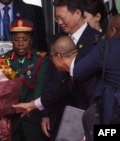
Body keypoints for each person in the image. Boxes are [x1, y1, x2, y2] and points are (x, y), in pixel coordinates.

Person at [13, 13, 120, 139]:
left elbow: (90, 98)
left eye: (51, 58)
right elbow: (63, 89)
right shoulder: (84, 70)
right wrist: (33, 105)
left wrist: (88, 135)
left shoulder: (92, 64)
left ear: (58, 57)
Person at [40, 0, 103, 140]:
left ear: (77, 14)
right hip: (58, 113)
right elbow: (49, 78)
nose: (59, 22)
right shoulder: (57, 40)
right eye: (57, 19)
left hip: (86, 114)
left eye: (62, 17)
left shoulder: (98, 41)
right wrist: (46, 113)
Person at [3, 19, 49, 141]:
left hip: (33, 119)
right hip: (12, 120)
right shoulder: (4, 59)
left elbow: (40, 90)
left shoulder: (40, 59)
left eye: (24, 39)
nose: (20, 44)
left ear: (31, 41)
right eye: (16, 40)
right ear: (12, 40)